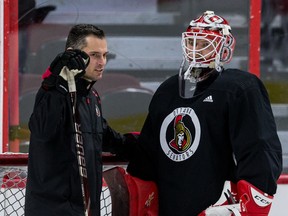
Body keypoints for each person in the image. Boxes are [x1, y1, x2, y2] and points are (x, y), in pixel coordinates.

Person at [127, 11, 283, 215]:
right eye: (192, 43)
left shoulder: (239, 89)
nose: (196, 50)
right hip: (171, 204)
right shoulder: (168, 89)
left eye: (204, 44)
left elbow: (258, 147)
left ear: (223, 47)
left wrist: (252, 199)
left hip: (217, 204)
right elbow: (149, 151)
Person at [25, 24, 134, 216]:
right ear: (71, 54)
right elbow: (42, 131)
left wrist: (146, 145)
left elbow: (108, 138)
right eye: (94, 55)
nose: (102, 62)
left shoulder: (91, 97)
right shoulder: (51, 92)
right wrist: (57, 83)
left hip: (86, 209)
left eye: (105, 55)